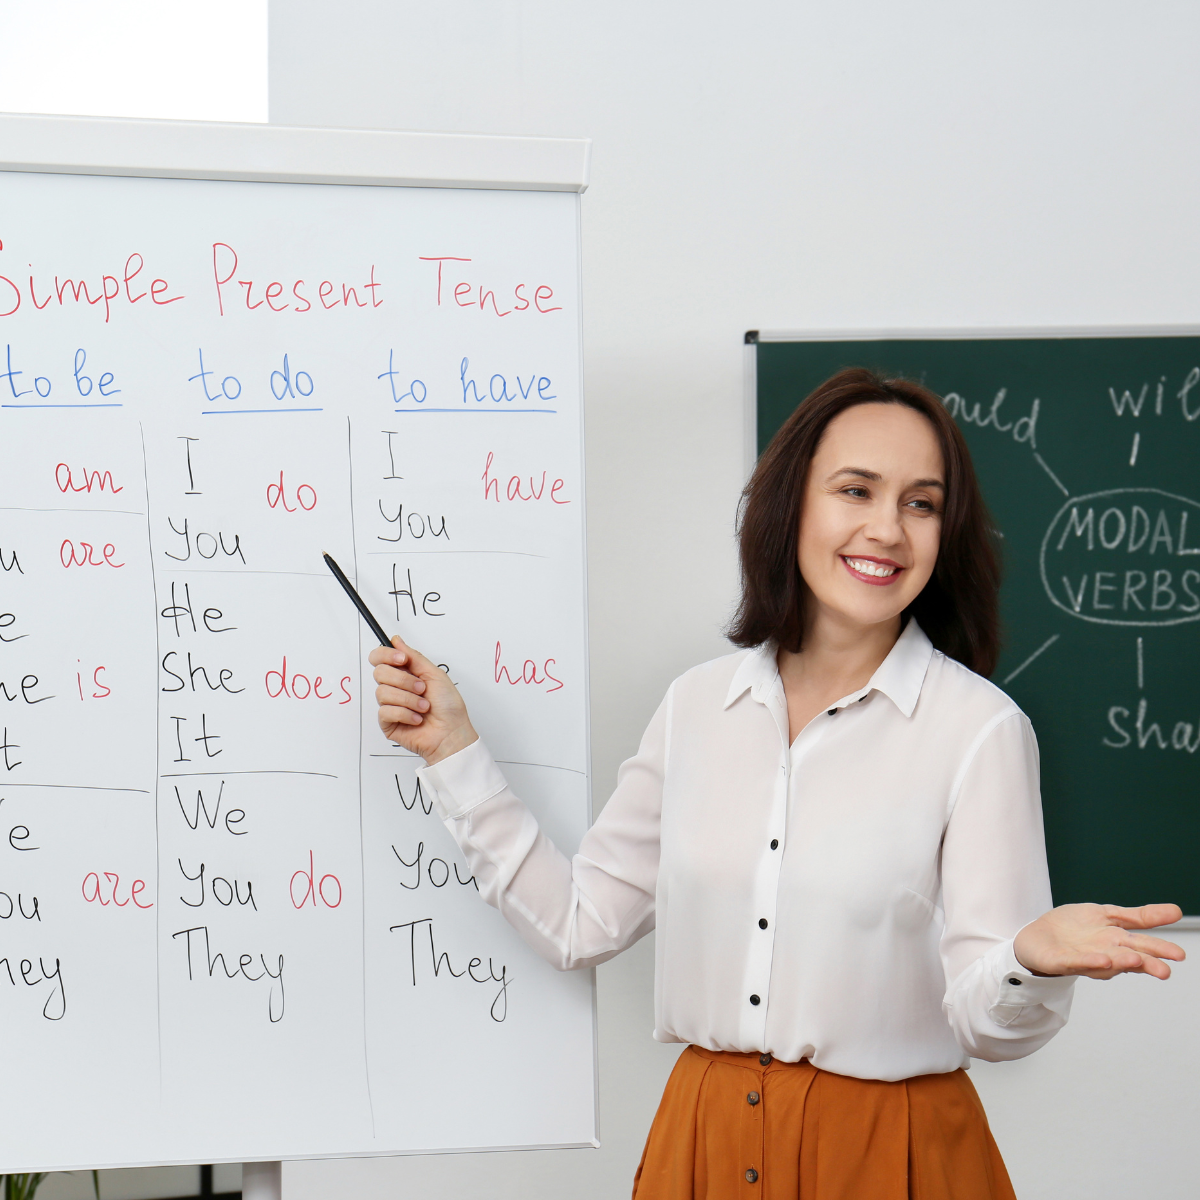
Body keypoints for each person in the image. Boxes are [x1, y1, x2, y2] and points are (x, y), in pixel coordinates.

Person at [369, 368, 1183, 1200]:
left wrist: (1029, 961)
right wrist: (455, 751)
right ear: (791, 504)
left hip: (886, 1155)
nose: (888, 530)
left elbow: (989, 1022)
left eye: (921, 503)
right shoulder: (696, 707)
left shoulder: (979, 729)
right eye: (856, 490)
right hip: (704, 1144)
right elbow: (580, 922)